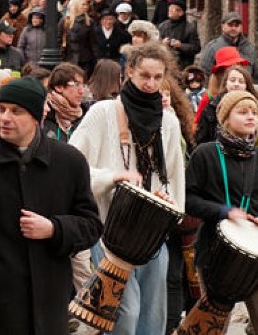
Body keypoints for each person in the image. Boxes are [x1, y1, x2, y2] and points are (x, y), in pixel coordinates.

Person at [0, 77, 102, 334]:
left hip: (49, 307)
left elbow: (91, 224)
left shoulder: (69, 162)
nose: (5, 118)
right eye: (1, 109)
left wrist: (55, 229)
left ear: (36, 116)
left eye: (16, 111)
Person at [69, 42, 185, 335]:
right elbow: (73, 167)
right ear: (128, 72)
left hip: (152, 231)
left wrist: (169, 204)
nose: (151, 83)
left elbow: (172, 176)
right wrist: (112, 177)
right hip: (109, 229)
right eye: (145, 75)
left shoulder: (169, 122)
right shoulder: (103, 113)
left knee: (153, 316)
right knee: (126, 312)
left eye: (158, 77)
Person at [185, 90, 258, 335]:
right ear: (225, 119)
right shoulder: (205, 154)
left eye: (254, 112)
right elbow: (188, 199)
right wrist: (224, 211)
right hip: (215, 252)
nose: (251, 117)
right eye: (242, 112)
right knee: (214, 327)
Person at [198, 11, 258, 89]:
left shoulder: (249, 48)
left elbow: (257, 77)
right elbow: (204, 74)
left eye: (236, 25)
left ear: (241, 27)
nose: (233, 28)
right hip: (221, 94)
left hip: (245, 94)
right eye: (230, 25)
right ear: (223, 26)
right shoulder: (213, 47)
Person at [42, 62, 87, 143]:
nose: (82, 91)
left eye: (83, 85)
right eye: (76, 84)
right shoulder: (44, 115)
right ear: (59, 87)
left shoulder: (86, 116)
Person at [158, 0, 200, 69]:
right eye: (169, 9)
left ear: (180, 13)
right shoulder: (163, 26)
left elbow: (196, 47)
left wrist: (181, 45)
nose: (170, 10)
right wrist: (162, 44)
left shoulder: (189, 28)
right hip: (165, 64)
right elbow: (154, 45)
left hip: (183, 65)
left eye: (172, 9)